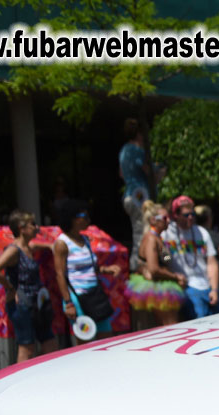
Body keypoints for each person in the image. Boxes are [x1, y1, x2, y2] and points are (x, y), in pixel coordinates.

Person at [0, 209, 55, 362]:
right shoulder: (13, 250)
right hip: (22, 305)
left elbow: (37, 246)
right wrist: (11, 288)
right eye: (32, 224)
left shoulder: (28, 247)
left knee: (49, 343)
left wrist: (52, 246)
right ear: (21, 228)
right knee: (27, 348)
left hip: (38, 303)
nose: (36, 227)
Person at [53, 200, 122, 340]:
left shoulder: (85, 239)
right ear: (72, 218)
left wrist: (106, 269)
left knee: (106, 338)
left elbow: (90, 267)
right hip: (77, 296)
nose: (88, 220)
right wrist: (68, 303)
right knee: (85, 340)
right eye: (84, 216)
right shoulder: (62, 243)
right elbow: (60, 274)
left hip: (94, 295)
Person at [163, 195, 219, 319]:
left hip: (207, 285)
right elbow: (165, 261)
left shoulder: (202, 232)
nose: (190, 217)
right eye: (186, 215)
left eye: (192, 214)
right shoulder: (166, 234)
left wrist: (214, 289)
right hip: (187, 286)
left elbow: (211, 262)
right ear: (176, 215)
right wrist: (166, 256)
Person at [127, 201, 186, 327]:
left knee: (169, 325)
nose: (168, 221)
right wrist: (176, 277)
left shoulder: (158, 238)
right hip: (158, 286)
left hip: (161, 282)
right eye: (165, 218)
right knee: (170, 325)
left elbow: (167, 260)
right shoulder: (151, 239)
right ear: (153, 220)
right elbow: (154, 269)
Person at [119, 118, 153, 270]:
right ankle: (137, 267)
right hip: (139, 196)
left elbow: (121, 174)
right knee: (141, 233)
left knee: (139, 232)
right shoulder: (137, 150)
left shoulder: (124, 150)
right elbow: (148, 171)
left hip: (130, 194)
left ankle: (141, 265)